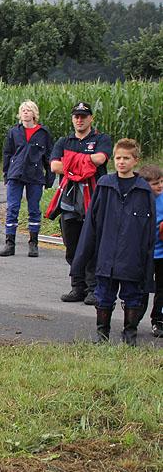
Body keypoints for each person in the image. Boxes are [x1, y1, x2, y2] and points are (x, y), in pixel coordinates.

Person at [71, 139, 154, 346]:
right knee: (103, 296)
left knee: (133, 297)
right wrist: (80, 260)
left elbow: (149, 232)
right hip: (106, 256)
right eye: (118, 158)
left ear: (135, 160)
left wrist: (147, 265)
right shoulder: (105, 185)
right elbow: (91, 223)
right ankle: (102, 335)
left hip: (132, 257)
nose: (122, 162)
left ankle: (129, 336)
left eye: (126, 158)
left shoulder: (144, 191)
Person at [48, 102, 112, 305]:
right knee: (72, 245)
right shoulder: (64, 141)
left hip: (94, 200)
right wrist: (85, 162)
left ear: (91, 118)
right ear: (72, 118)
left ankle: (94, 288)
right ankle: (78, 287)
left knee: (92, 245)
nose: (80, 119)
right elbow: (54, 165)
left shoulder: (101, 139)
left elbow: (100, 159)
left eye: (84, 116)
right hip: (68, 201)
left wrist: (71, 162)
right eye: (76, 116)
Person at [0, 100, 54, 257]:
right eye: (23, 110)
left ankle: (33, 243)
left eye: (29, 110)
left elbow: (49, 155)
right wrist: (6, 174)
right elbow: (7, 153)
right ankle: (10, 243)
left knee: (34, 209)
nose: (25, 112)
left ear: (34, 114)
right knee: (12, 208)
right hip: (15, 175)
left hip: (35, 176)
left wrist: (49, 177)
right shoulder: (14, 132)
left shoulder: (43, 133)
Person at [137, 164, 163, 338]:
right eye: (155, 183)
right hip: (143, 254)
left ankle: (158, 320)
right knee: (141, 289)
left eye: (161, 182)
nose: (160, 186)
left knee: (161, 288)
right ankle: (133, 318)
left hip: (161, 254)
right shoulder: (138, 200)